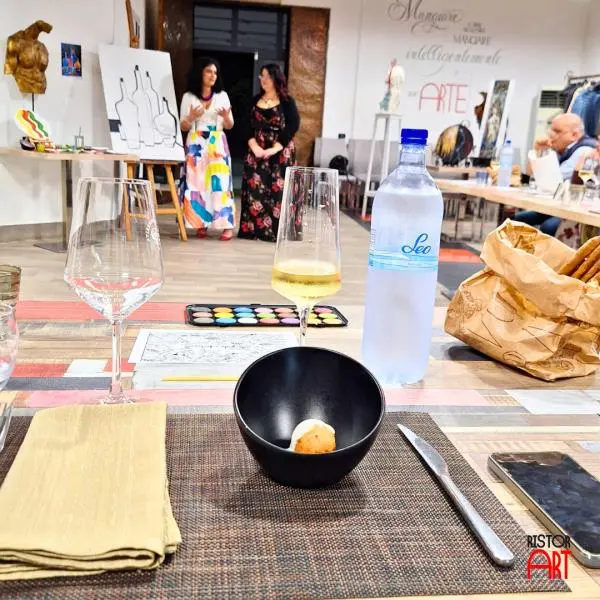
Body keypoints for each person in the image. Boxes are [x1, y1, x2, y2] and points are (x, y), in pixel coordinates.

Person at [238, 64, 300, 242]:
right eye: (261, 76)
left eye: (267, 76)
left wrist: (274, 148)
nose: (263, 79)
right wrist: (255, 147)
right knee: (254, 190)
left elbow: (293, 125)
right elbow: (245, 125)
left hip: (281, 151)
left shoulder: (287, 101)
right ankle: (254, 231)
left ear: (275, 78)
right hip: (256, 150)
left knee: (279, 191)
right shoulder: (254, 100)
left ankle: (278, 233)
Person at [179, 57, 235, 240]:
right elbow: (183, 126)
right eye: (209, 71)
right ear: (200, 73)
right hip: (196, 142)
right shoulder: (189, 96)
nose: (213, 76)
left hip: (217, 141)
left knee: (221, 183)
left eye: (215, 72)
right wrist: (190, 117)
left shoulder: (222, 96)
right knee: (197, 184)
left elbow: (230, 125)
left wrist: (226, 117)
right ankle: (200, 223)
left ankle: (227, 226)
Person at [514, 114, 597, 236]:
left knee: (548, 227)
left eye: (557, 131)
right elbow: (533, 176)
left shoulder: (584, 150)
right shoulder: (562, 150)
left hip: (575, 213)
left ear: (574, 135)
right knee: (518, 219)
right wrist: (538, 151)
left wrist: (542, 158)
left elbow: (555, 181)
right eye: (550, 130)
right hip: (559, 207)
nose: (551, 135)